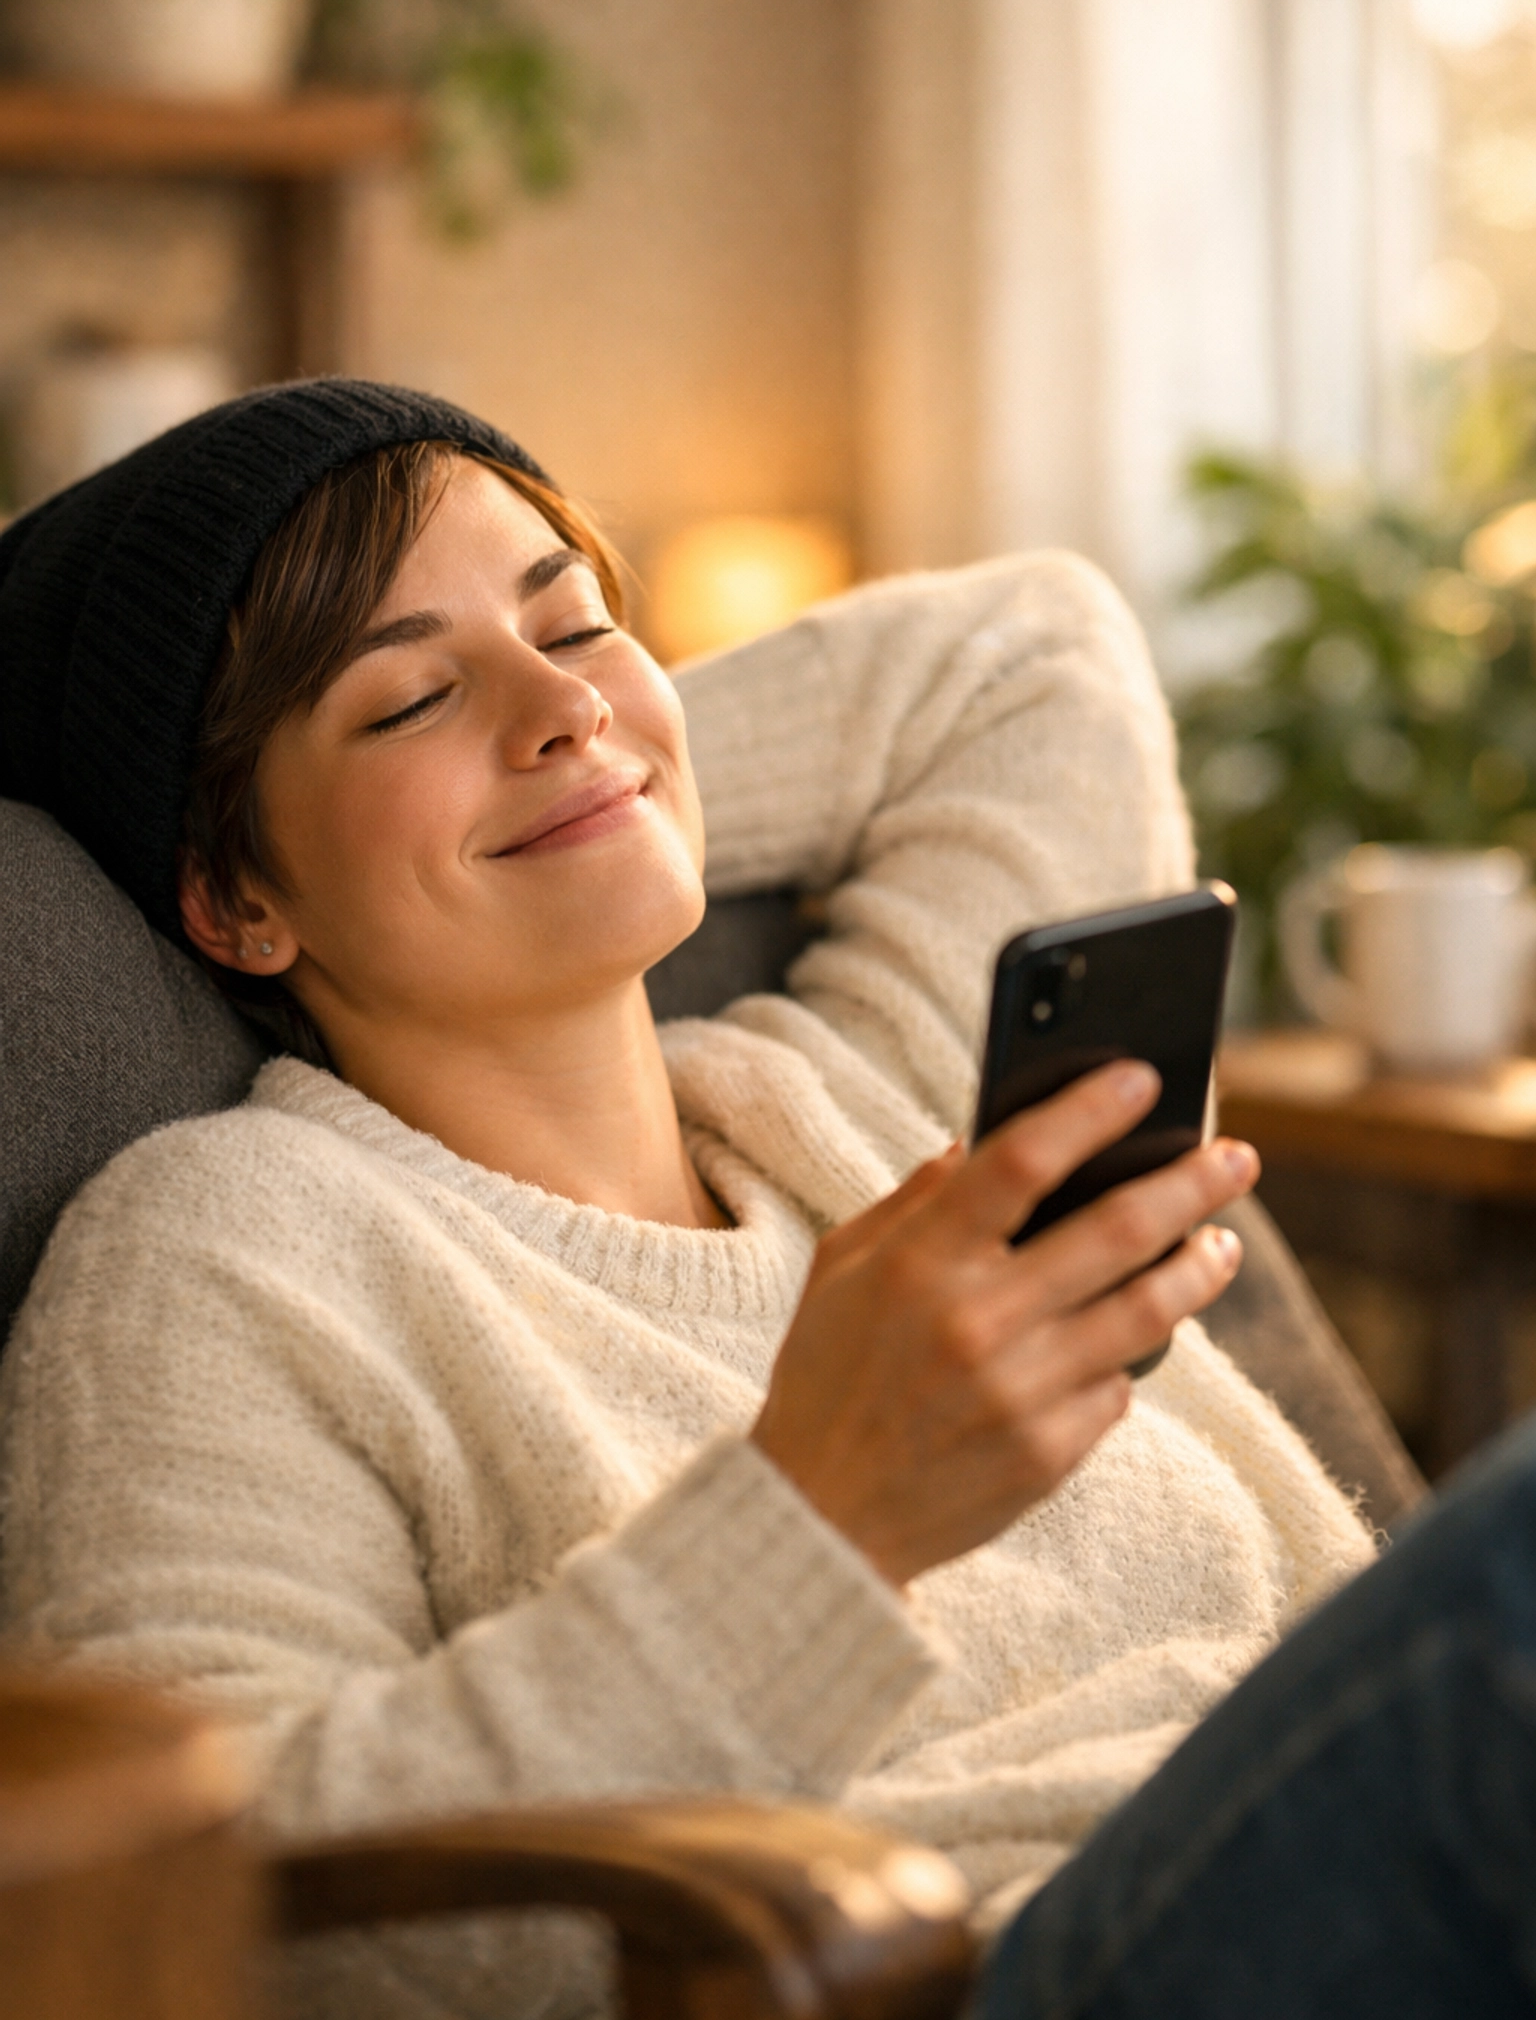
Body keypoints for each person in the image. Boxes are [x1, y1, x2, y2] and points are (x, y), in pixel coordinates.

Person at [0, 381, 1383, 2019]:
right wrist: (823, 1519)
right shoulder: (227, 1250)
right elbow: (216, 1909)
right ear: (233, 899)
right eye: (410, 697)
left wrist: (616, 764)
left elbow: (1030, 647)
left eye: (577, 624)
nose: (561, 704)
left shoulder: (870, 1098)